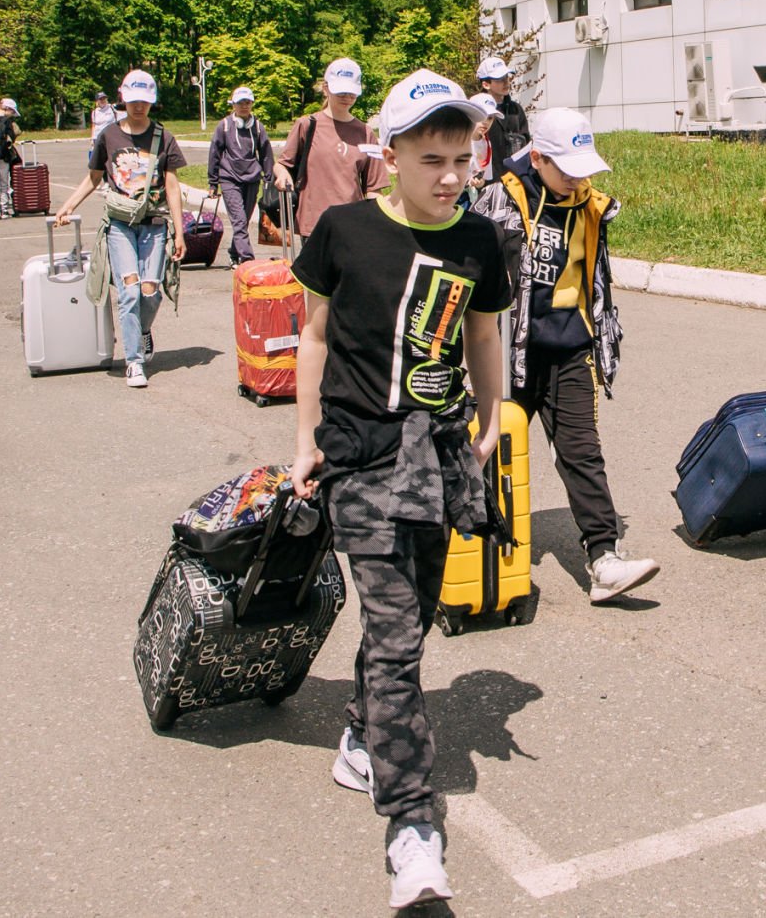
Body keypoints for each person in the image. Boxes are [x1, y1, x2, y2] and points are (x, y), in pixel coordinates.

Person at [290, 69, 512, 911]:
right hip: (359, 454)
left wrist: (489, 422)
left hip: (440, 453)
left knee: (411, 620)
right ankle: (413, 826)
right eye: (432, 159)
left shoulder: (481, 239)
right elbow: (314, 337)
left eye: (463, 157)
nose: (451, 175)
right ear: (390, 155)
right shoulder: (344, 230)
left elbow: (484, 335)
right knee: (393, 634)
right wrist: (306, 440)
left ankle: (360, 732)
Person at [470, 108, 659, 603]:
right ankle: (471, 555)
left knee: (582, 452)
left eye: (584, 168)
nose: (578, 178)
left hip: (571, 348)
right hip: (507, 355)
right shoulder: (499, 200)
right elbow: (468, 272)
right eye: (567, 168)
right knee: (484, 450)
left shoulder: (591, 205)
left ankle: (605, 559)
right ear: (537, 158)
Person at [53, 69, 187, 389]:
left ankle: (141, 330)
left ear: (152, 102)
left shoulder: (163, 137)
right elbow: (94, 177)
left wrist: (180, 232)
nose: (139, 106)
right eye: (133, 100)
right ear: (123, 99)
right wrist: (69, 205)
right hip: (119, 225)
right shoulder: (109, 135)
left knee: (149, 292)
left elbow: (172, 185)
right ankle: (133, 361)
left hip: (154, 224)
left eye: (144, 101)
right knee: (129, 290)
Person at [274, 57, 381, 238]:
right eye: (341, 92)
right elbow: (282, 164)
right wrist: (282, 174)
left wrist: (379, 226)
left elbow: (373, 189)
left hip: (352, 225)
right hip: (314, 224)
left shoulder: (366, 132)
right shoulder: (306, 125)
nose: (347, 98)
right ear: (326, 89)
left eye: (352, 93)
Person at [206, 85, 275, 264]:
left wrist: (269, 178)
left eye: (247, 102)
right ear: (233, 105)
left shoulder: (257, 127)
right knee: (239, 220)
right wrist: (213, 182)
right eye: (240, 103)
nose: (244, 106)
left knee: (243, 221)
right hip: (229, 178)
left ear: (252, 104)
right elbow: (214, 153)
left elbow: (266, 154)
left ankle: (234, 254)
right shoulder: (224, 126)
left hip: (252, 179)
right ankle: (247, 260)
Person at [476, 56, 529, 180]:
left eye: (506, 77)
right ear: (486, 84)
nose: (506, 82)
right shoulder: (477, 110)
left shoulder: (516, 109)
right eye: (499, 79)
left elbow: (526, 142)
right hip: (486, 180)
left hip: (516, 179)